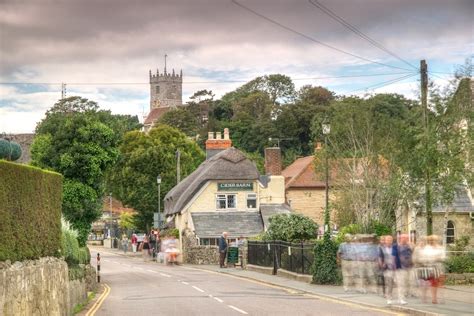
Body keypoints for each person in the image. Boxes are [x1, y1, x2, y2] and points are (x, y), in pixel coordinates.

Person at [392, 234, 413, 305]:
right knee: (401, 284)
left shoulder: (410, 246)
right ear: (400, 238)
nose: (406, 239)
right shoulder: (396, 246)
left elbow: (413, 255)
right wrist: (394, 268)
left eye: (407, 238)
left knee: (407, 283)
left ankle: (402, 297)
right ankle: (401, 299)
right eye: (404, 238)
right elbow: (393, 257)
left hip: (409, 268)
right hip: (400, 268)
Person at [379, 235, 395, 305]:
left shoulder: (395, 247)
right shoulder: (382, 248)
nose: (389, 241)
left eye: (390, 240)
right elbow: (379, 257)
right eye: (387, 240)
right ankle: (389, 297)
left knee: (391, 283)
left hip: (394, 268)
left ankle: (390, 294)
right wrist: (381, 264)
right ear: (385, 241)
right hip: (386, 268)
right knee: (388, 282)